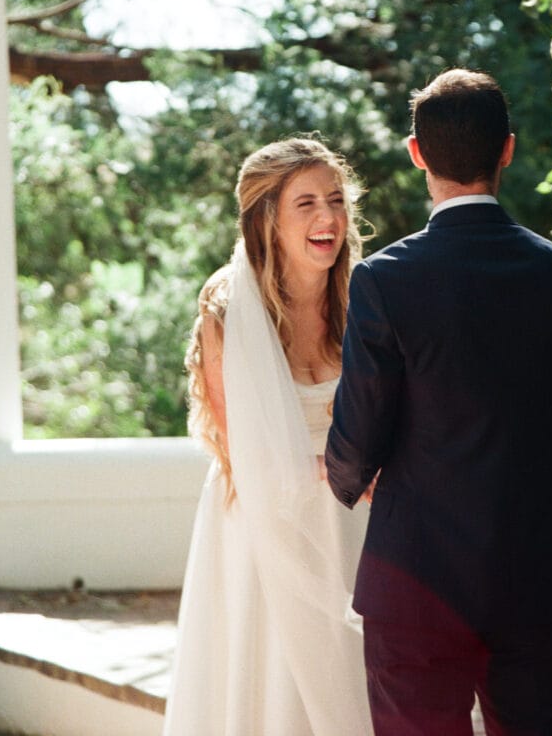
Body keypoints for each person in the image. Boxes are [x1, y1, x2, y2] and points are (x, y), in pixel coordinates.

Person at [326, 68, 552, 736]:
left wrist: (350, 478)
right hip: (532, 577)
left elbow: (359, 427)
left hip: (412, 578)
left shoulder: (383, 279)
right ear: (507, 149)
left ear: (416, 153)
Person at [163, 137, 373, 736]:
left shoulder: (365, 300)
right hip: (261, 523)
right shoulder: (227, 310)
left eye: (335, 199)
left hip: (353, 523)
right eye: (305, 203)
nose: (328, 218)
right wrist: (351, 476)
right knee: (272, 687)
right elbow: (244, 446)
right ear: (267, 219)